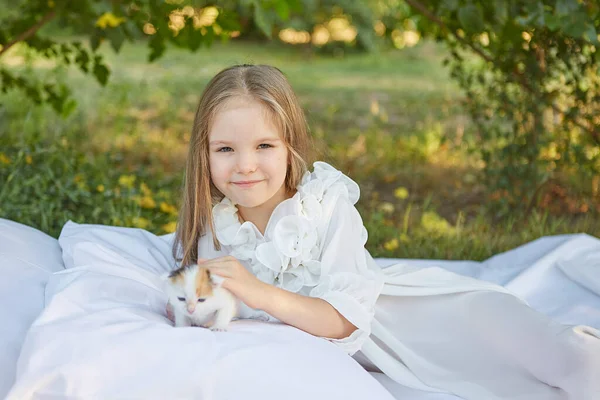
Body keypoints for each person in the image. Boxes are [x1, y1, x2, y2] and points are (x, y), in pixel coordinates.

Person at [170, 64, 600, 400]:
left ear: (291, 146)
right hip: (377, 363)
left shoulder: (323, 203)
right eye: (225, 149)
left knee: (575, 360)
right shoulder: (217, 227)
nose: (244, 164)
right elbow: (207, 308)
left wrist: (258, 292)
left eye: (264, 145)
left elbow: (343, 320)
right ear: (203, 154)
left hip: (426, 321)